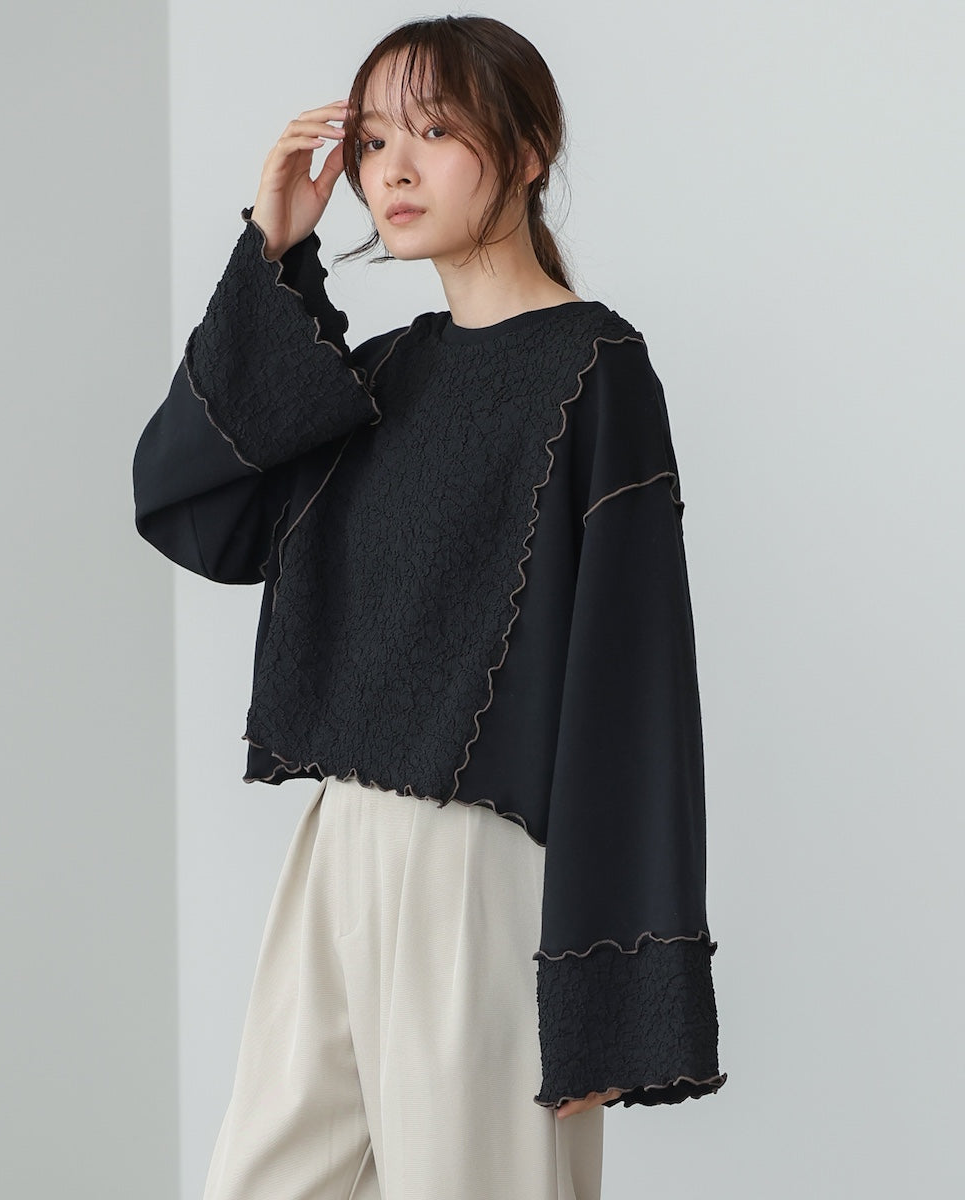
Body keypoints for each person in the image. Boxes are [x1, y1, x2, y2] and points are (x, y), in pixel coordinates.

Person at [132, 13, 726, 1200]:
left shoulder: (595, 371)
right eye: (372, 142)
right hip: (338, 849)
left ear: (528, 150)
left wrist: (606, 982)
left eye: (437, 133)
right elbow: (187, 498)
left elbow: (633, 684)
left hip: (485, 875)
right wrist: (273, 252)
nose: (391, 170)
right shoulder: (382, 375)